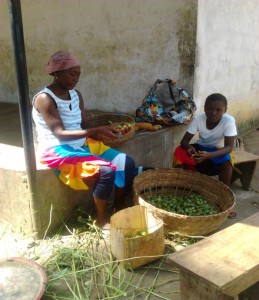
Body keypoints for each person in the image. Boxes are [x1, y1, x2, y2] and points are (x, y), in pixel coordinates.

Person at [32, 51, 135, 230]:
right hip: (58, 149)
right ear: (57, 72)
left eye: (78, 74)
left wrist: (108, 131)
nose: (76, 78)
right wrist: (95, 130)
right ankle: (101, 219)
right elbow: (60, 133)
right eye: (72, 74)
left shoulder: (76, 95)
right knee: (106, 171)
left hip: (81, 144)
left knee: (126, 163)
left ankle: (119, 207)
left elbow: (84, 124)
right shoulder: (44, 98)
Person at [173, 93, 237, 218]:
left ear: (225, 110)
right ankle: (180, 186)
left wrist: (209, 155)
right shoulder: (199, 119)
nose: (213, 113)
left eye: (218, 110)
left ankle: (227, 200)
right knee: (179, 151)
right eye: (209, 109)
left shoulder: (229, 121)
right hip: (201, 148)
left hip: (218, 150)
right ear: (204, 108)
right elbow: (184, 142)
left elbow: (229, 147)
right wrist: (190, 148)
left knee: (227, 160)